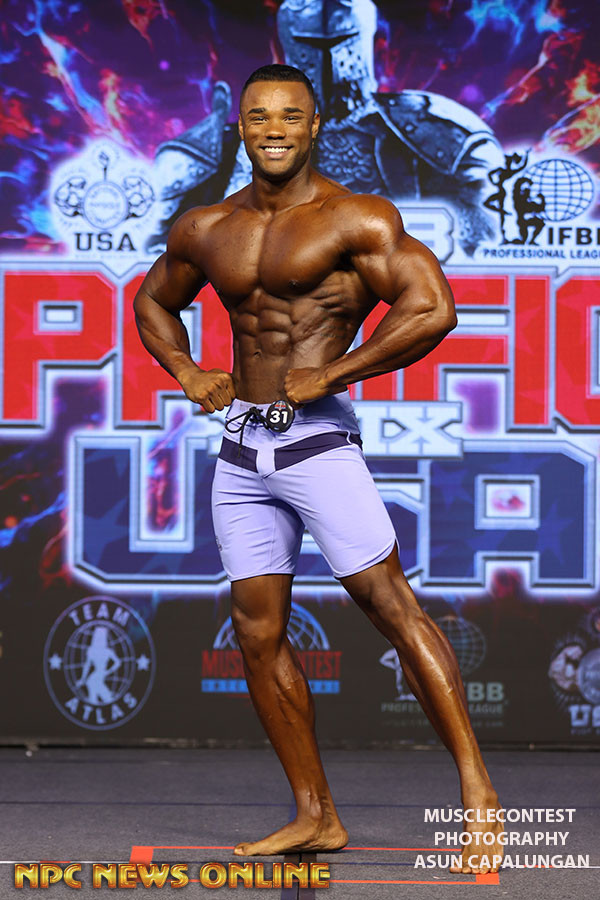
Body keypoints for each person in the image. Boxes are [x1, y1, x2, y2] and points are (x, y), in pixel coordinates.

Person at [134, 63, 503, 874]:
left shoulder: (353, 217)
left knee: (390, 606)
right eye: (259, 116)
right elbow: (153, 301)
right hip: (242, 449)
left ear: (314, 125)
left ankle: (478, 794)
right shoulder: (209, 226)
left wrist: (334, 373)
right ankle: (315, 815)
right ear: (240, 127)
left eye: (289, 116)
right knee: (257, 633)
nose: (274, 129)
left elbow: (433, 308)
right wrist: (188, 371)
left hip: (316, 443)